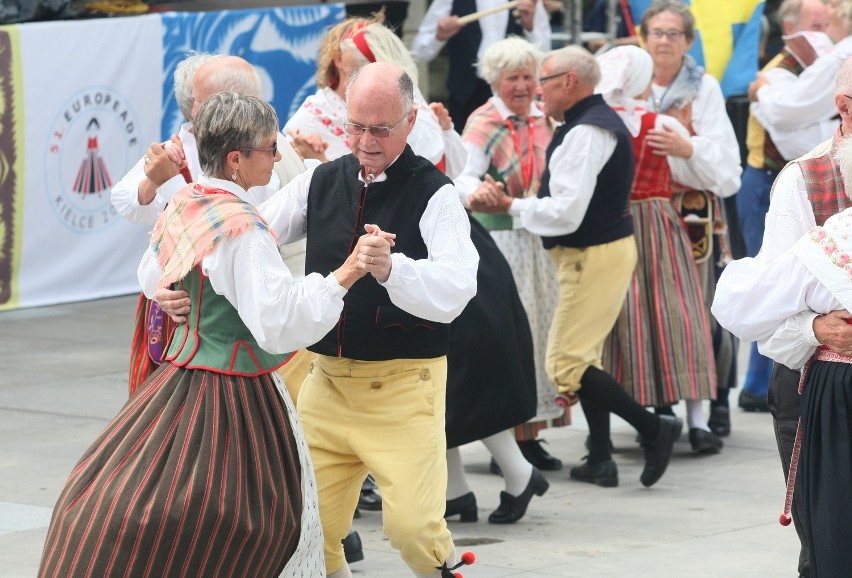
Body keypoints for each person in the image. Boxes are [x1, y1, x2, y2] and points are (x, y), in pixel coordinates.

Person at [38, 91, 377, 577]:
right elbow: (280, 320)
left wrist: (167, 293)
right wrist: (346, 273)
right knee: (255, 522)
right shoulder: (242, 231)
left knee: (125, 496)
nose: (278, 157)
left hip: (175, 383)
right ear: (237, 160)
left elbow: (150, 273)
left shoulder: (188, 201)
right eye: (269, 148)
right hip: (236, 395)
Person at [290, 24, 547, 526]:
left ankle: (503, 476)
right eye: (343, 63)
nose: (346, 72)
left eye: (356, 61)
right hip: (405, 263)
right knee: (453, 385)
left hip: (430, 254)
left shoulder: (408, 119)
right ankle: (461, 490)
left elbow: (447, 171)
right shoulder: (324, 112)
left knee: (449, 378)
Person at [264, 62, 479, 578]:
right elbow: (253, 232)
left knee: (413, 532)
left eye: (380, 129)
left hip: (405, 387)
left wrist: (392, 269)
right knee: (306, 526)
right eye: (356, 125)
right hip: (327, 384)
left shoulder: (436, 193)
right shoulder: (320, 180)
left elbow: (457, 290)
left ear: (409, 121)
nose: (365, 140)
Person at [470, 45, 681, 488]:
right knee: (582, 358)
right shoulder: (587, 124)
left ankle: (653, 428)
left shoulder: (586, 131)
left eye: (543, 81)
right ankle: (603, 454)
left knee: (565, 363)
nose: (537, 91)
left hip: (594, 254)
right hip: (595, 252)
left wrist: (511, 205)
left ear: (568, 82)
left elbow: (566, 213)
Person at [713, 55, 852, 578]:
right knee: (830, 544)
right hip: (817, 384)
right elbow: (760, 308)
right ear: (844, 108)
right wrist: (816, 328)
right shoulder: (806, 181)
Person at [111, 53, 306, 395]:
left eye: (202, 101)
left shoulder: (259, 155)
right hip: (182, 306)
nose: (193, 109)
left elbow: (234, 224)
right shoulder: (184, 142)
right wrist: (152, 184)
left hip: (231, 320)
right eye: (195, 100)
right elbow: (128, 203)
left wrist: (171, 184)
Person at [452, 37, 568, 475]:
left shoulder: (544, 117)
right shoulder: (483, 122)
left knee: (541, 332)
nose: (521, 86)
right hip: (502, 240)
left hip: (538, 234)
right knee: (514, 336)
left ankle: (532, 434)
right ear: (494, 81)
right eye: (512, 78)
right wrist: (479, 190)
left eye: (527, 77)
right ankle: (516, 438)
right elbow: (460, 175)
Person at [595, 46, 719, 456]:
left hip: (616, 224)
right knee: (681, 316)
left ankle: (631, 420)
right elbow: (703, 173)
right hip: (659, 221)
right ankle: (698, 421)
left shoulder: (598, 124)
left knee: (626, 321)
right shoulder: (658, 123)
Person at [638, 0, 741, 448]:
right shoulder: (631, 86)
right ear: (643, 38)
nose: (663, 41)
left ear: (689, 41)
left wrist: (687, 150)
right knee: (654, 310)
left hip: (693, 213)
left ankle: (715, 402)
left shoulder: (704, 88)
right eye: (656, 33)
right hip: (645, 212)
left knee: (705, 309)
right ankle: (662, 405)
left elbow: (728, 172)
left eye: (672, 33)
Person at [736, 0, 836, 416]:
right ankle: (761, 384)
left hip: (789, 178)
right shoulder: (779, 71)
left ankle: (765, 382)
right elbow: (797, 134)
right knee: (776, 280)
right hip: (769, 183)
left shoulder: (803, 72)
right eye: (816, 23)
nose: (825, 33)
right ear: (792, 29)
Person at [286, 19, 467, 178]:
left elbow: (439, 169)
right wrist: (319, 164)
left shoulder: (402, 98)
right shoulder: (309, 123)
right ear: (339, 59)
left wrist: (446, 132)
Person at [411, 0, 551, 132]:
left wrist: (530, 26)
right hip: (465, 94)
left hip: (511, 94)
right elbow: (419, 51)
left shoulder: (528, 2)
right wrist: (439, 35)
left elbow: (544, 53)